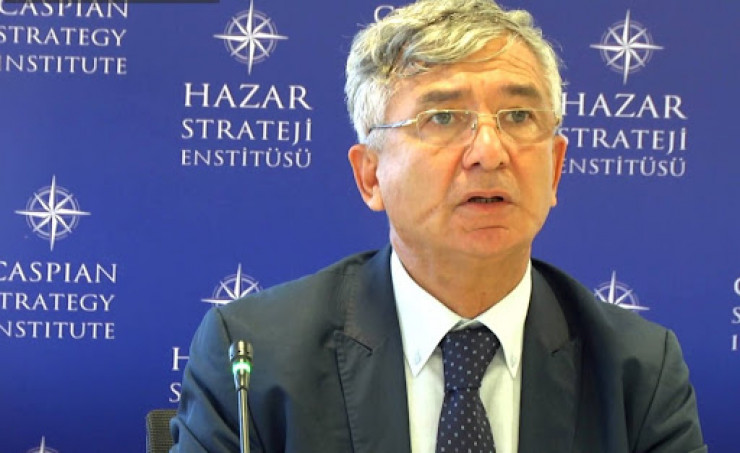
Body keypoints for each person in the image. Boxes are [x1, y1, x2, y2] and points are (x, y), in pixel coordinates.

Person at [171, 0, 706, 452]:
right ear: (370, 175)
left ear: (556, 168)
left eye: (519, 116)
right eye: (444, 118)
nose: (490, 151)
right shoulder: (254, 361)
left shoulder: (638, 371)